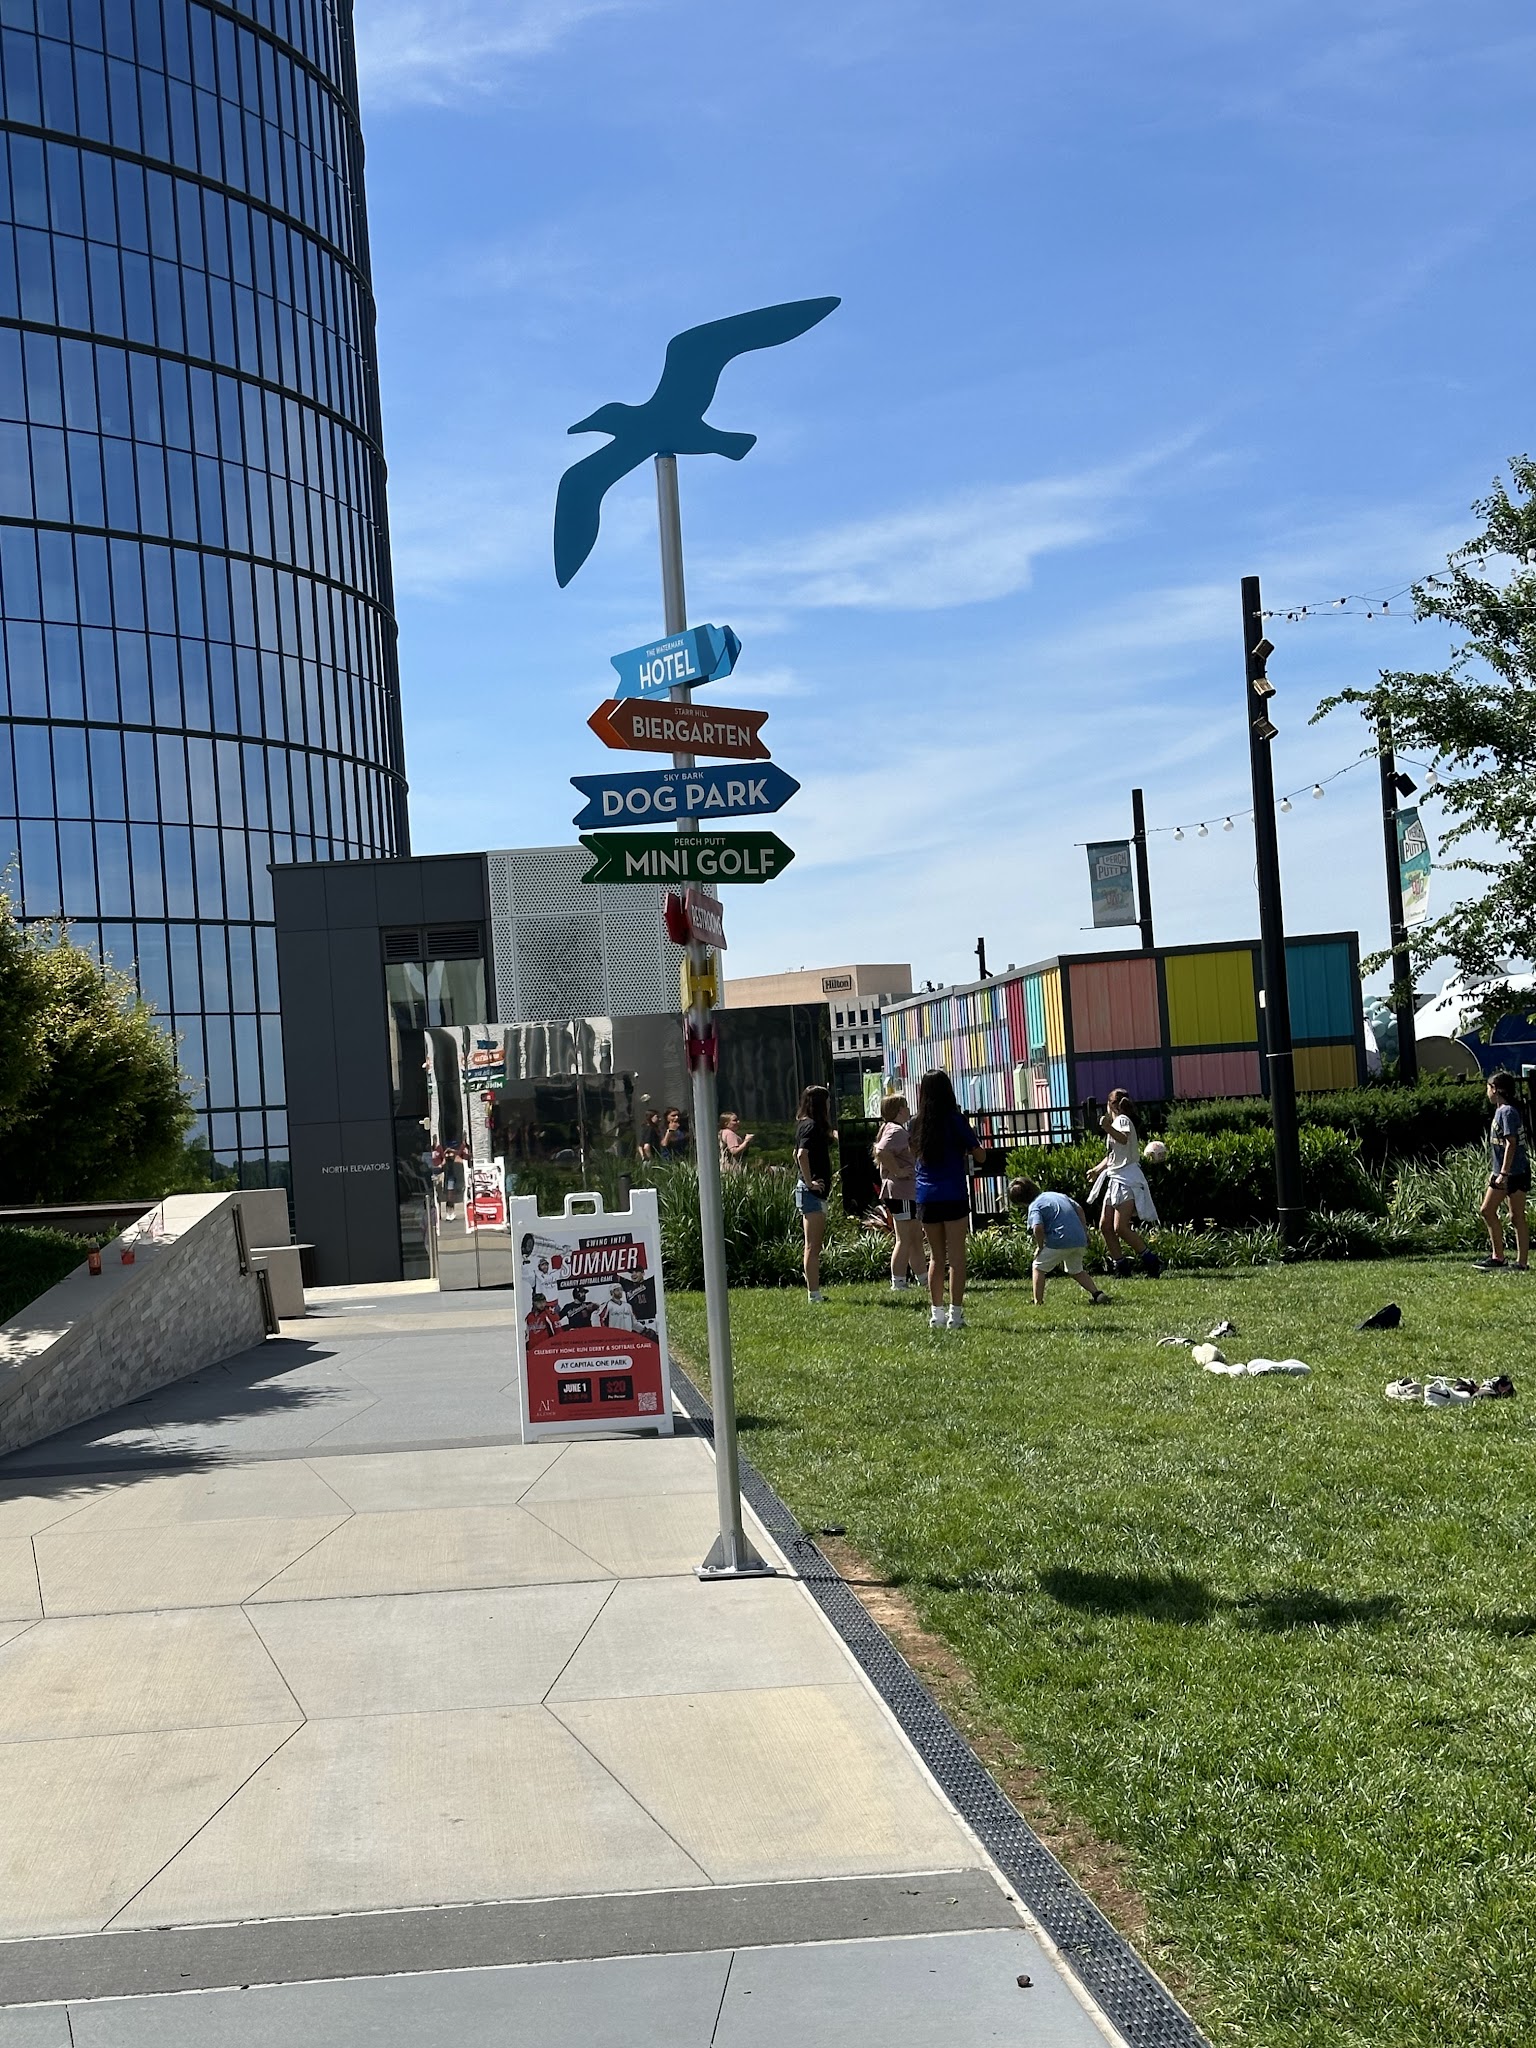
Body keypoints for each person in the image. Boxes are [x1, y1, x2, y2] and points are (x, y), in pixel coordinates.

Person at [910, 1069, 983, 1329]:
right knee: (957, 1258)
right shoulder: (956, 1120)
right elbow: (980, 1155)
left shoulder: (915, 1122)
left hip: (926, 1196)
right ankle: (956, 1315)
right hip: (953, 1193)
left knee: (936, 1258)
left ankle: (936, 1314)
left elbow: (913, 1153)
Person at [1089, 1089, 1162, 1277]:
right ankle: (1120, 1266)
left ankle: (1151, 1261)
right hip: (1116, 1177)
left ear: (1110, 1105)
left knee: (1119, 1227)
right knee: (1105, 1226)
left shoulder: (1122, 1120)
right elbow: (1113, 1156)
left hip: (1127, 1179)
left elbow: (1123, 1138)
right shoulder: (1116, 1123)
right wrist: (1097, 1170)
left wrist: (1107, 1127)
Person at [1010, 1178, 1110, 1305]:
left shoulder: (1035, 1206)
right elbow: (1079, 1209)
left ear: (1021, 1202)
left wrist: (1040, 1247)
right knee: (1076, 1270)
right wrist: (1084, 1232)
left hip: (1059, 1240)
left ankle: (1038, 1301)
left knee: (1038, 1267)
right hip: (1079, 1239)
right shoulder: (1057, 1195)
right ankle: (1097, 1294)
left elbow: (1038, 1228)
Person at [1477, 1070, 1530, 1271]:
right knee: (1488, 1210)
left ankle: (1520, 1263)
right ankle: (1498, 1257)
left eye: (1488, 1088)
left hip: (1514, 1174)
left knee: (1515, 1216)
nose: (1486, 1092)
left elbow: (1511, 1143)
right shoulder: (1501, 1111)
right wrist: (1496, 1170)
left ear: (1496, 1090)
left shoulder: (1507, 1112)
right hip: (1502, 1172)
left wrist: (1504, 1173)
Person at [873, 1092, 923, 1290]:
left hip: (906, 1192)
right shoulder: (896, 1131)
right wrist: (898, 1171)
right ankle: (898, 1281)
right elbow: (881, 1151)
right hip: (900, 1191)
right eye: (906, 1106)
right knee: (904, 1238)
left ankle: (923, 1278)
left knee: (915, 1236)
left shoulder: (891, 1128)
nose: (909, 1110)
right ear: (900, 1110)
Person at [794, 1083, 838, 1303]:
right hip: (811, 1192)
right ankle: (814, 1294)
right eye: (828, 1102)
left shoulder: (805, 1124)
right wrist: (810, 1181)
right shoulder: (810, 1126)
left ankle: (815, 1292)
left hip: (812, 1192)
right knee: (812, 1246)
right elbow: (801, 1154)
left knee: (813, 1245)